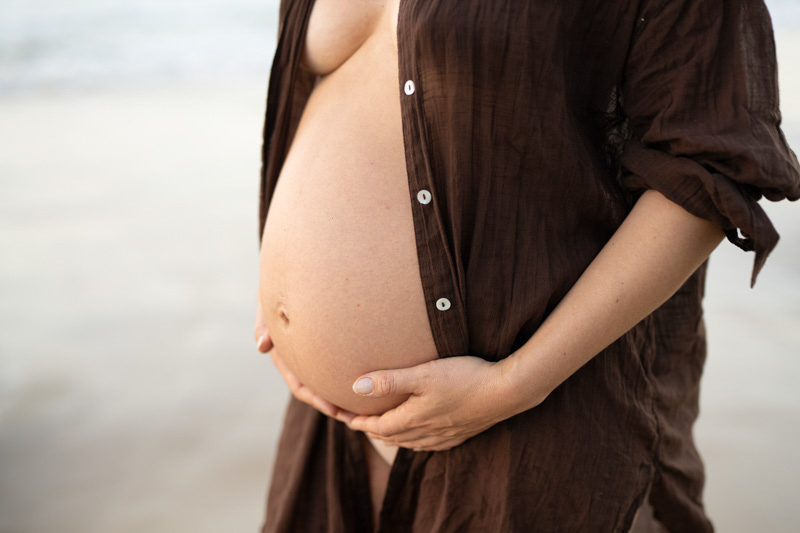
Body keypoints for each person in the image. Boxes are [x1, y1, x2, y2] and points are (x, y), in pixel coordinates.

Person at [254, 0, 800, 531]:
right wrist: (283, 301)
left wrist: (511, 385)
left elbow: (705, 165)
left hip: (531, 417)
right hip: (328, 429)